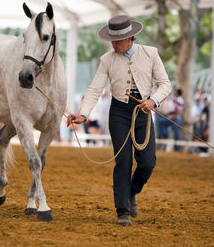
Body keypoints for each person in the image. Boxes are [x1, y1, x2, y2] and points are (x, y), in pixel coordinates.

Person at [66, 15, 171, 226]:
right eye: (112, 40)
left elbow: (165, 84)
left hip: (143, 112)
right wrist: (84, 114)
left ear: (130, 38)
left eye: (117, 40)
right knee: (123, 161)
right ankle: (121, 209)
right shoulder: (106, 60)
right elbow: (95, 89)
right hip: (118, 114)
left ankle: (131, 192)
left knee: (147, 164)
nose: (113, 44)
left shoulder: (150, 53)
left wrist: (153, 101)